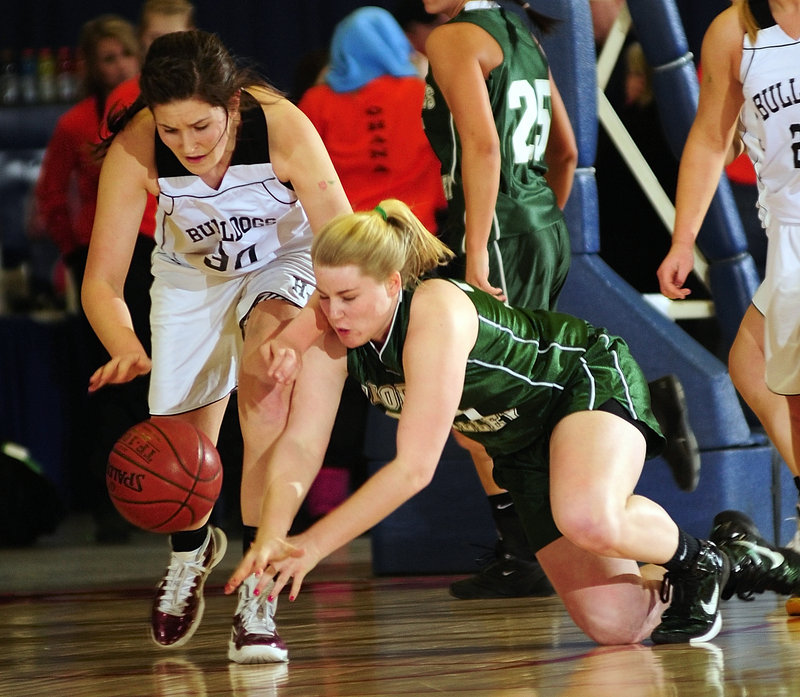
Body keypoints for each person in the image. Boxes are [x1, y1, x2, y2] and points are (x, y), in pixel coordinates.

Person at [225, 199, 800, 646]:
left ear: (394, 284)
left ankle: (696, 559)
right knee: (616, 626)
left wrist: (314, 545)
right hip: (517, 439)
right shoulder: (333, 337)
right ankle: (736, 556)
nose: (333, 313)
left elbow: (415, 468)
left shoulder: (435, 313)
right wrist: (274, 533)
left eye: (347, 296)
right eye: (322, 298)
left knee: (586, 514)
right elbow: (299, 446)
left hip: (579, 380)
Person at [82, 29, 351, 663]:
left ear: (232, 105)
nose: (189, 145)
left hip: (284, 263)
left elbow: (343, 244)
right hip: (192, 277)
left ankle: (256, 594)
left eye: (201, 127)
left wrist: (305, 329)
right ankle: (193, 549)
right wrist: (124, 344)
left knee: (264, 391)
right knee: (180, 449)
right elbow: (100, 281)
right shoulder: (136, 146)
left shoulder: (281, 125)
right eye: (172, 132)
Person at [418, 0, 576, 601]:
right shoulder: (522, 34)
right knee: (485, 399)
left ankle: (530, 551)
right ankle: (525, 548)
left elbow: (483, 148)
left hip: (494, 232)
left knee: (485, 400)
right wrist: (538, 218)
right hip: (533, 226)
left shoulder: (456, 37)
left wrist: (481, 245)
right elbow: (565, 151)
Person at [655, 0, 800, 616]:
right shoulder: (737, 28)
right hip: (788, 232)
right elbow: (712, 134)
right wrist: (684, 236)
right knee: (750, 363)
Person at [33, 14, 142, 542]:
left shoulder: (158, 114)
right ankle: (109, 507)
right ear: (92, 68)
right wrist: (74, 249)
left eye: (126, 54)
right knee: (111, 381)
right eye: (108, 59)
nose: (119, 65)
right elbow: (52, 195)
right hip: (100, 263)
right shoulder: (76, 123)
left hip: (159, 255)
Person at [298, 6, 446, 233]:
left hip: (346, 231)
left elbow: (302, 171)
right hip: (415, 229)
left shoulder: (316, 101)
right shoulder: (422, 93)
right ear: (395, 42)